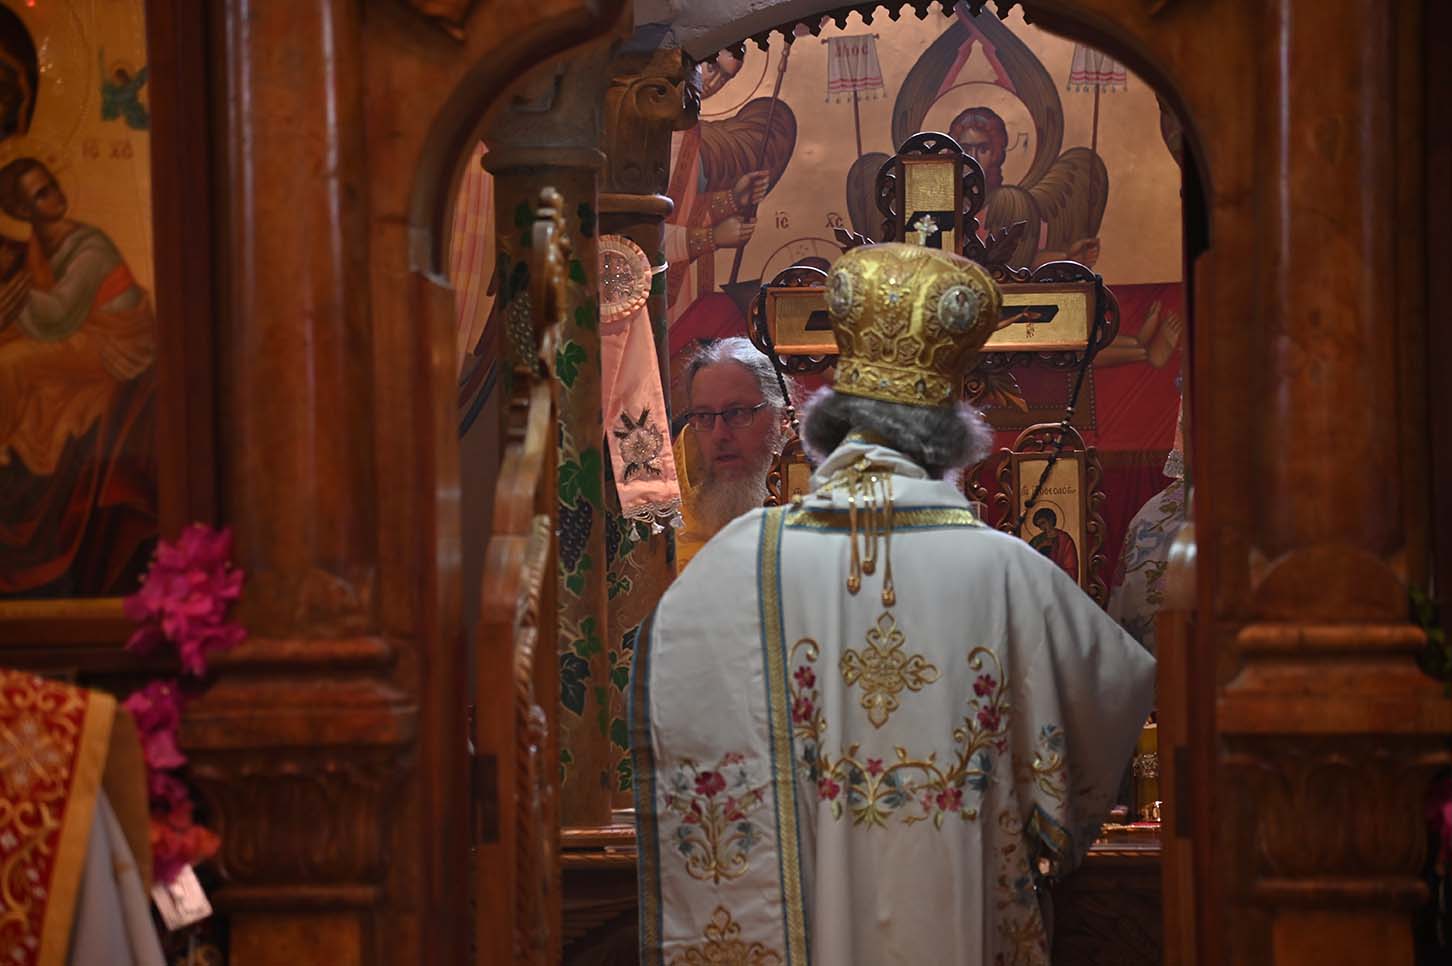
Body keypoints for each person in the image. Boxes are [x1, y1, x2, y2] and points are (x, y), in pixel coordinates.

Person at [633, 243, 1155, 965]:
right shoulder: (1012, 576)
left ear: (828, 424)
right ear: (952, 434)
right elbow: (1113, 701)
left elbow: (663, 687)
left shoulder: (735, 566)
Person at [0, 157, 158, 596]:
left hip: (115, 343)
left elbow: (57, 318)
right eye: (41, 195)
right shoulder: (42, 243)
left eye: (51, 185)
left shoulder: (90, 248)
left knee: (12, 362)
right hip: (83, 330)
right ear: (22, 211)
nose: (55, 196)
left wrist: (11, 295)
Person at [673, 337, 789, 570]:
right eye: (704, 416)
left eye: (737, 413)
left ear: (782, 417)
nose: (719, 435)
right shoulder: (666, 527)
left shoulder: (826, 511)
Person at [1029, 506, 1080, 580]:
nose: (1042, 527)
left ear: (1051, 520)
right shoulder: (1037, 540)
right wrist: (1040, 547)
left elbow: (1071, 566)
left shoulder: (1064, 539)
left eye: (1043, 523)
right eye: (1039, 525)